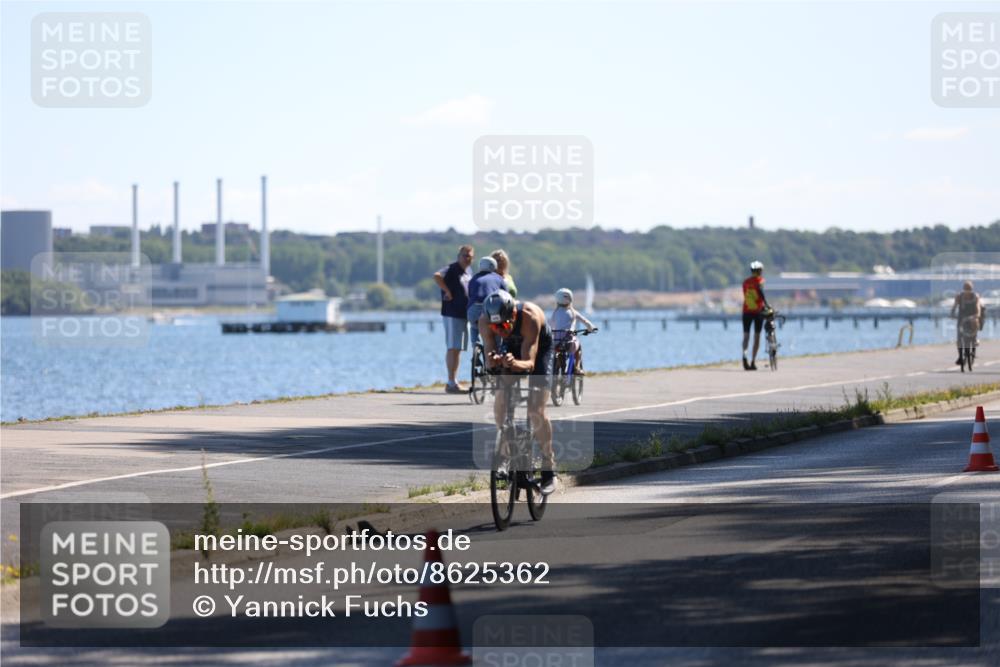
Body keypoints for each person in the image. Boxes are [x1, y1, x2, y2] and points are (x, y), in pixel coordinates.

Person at [479, 290, 557, 495]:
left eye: (504, 326)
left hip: (538, 350)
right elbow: (489, 355)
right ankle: (504, 451)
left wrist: (513, 363)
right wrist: (494, 362)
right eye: (496, 328)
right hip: (513, 348)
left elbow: (529, 364)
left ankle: (549, 466)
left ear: (513, 315)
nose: (500, 331)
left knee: (535, 410)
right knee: (501, 394)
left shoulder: (529, 318)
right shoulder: (485, 321)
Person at [433, 245, 474, 393]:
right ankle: (451, 382)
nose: (467, 258)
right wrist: (447, 291)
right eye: (464, 255)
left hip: (463, 314)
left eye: (470, 256)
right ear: (458, 256)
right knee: (453, 347)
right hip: (452, 313)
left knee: (458, 348)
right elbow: (437, 276)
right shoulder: (451, 268)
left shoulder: (468, 272)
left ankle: (454, 380)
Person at [550, 288, 595, 370]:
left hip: (556, 341)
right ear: (570, 299)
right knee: (578, 347)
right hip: (569, 341)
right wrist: (591, 328)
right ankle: (577, 366)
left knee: (554, 353)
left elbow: (550, 326)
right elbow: (585, 321)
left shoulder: (555, 313)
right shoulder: (573, 312)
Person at [466, 256, 506, 348]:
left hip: (473, 310)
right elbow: (505, 296)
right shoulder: (499, 278)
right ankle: (497, 348)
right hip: (490, 310)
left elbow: (470, 295)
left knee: (474, 327)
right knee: (497, 330)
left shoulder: (473, 279)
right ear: (493, 266)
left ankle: (475, 345)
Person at [741, 260, 770, 371]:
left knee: (746, 336)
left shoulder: (745, 282)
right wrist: (766, 304)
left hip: (746, 311)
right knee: (756, 337)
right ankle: (753, 361)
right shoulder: (760, 280)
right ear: (759, 271)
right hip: (758, 311)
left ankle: (744, 355)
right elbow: (761, 293)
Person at [951, 280, 984, 365]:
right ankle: (960, 356)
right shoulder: (959, 296)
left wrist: (976, 316)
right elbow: (954, 306)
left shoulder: (975, 297)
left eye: (969, 290)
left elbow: (978, 309)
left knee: (975, 322)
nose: (967, 292)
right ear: (963, 290)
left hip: (972, 317)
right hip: (962, 318)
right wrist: (952, 313)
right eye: (965, 290)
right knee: (959, 338)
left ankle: (975, 338)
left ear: (972, 290)